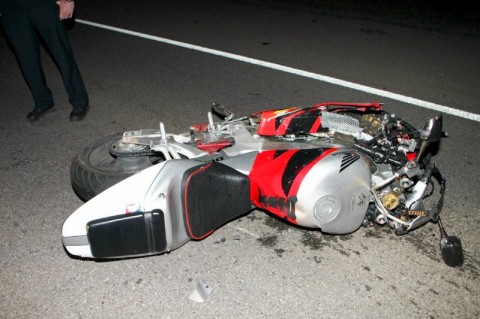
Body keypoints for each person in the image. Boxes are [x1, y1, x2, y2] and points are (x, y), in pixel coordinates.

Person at [0, 0, 89, 121]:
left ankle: (79, 100)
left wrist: (68, 0)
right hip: (10, 5)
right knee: (25, 56)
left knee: (60, 50)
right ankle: (43, 100)